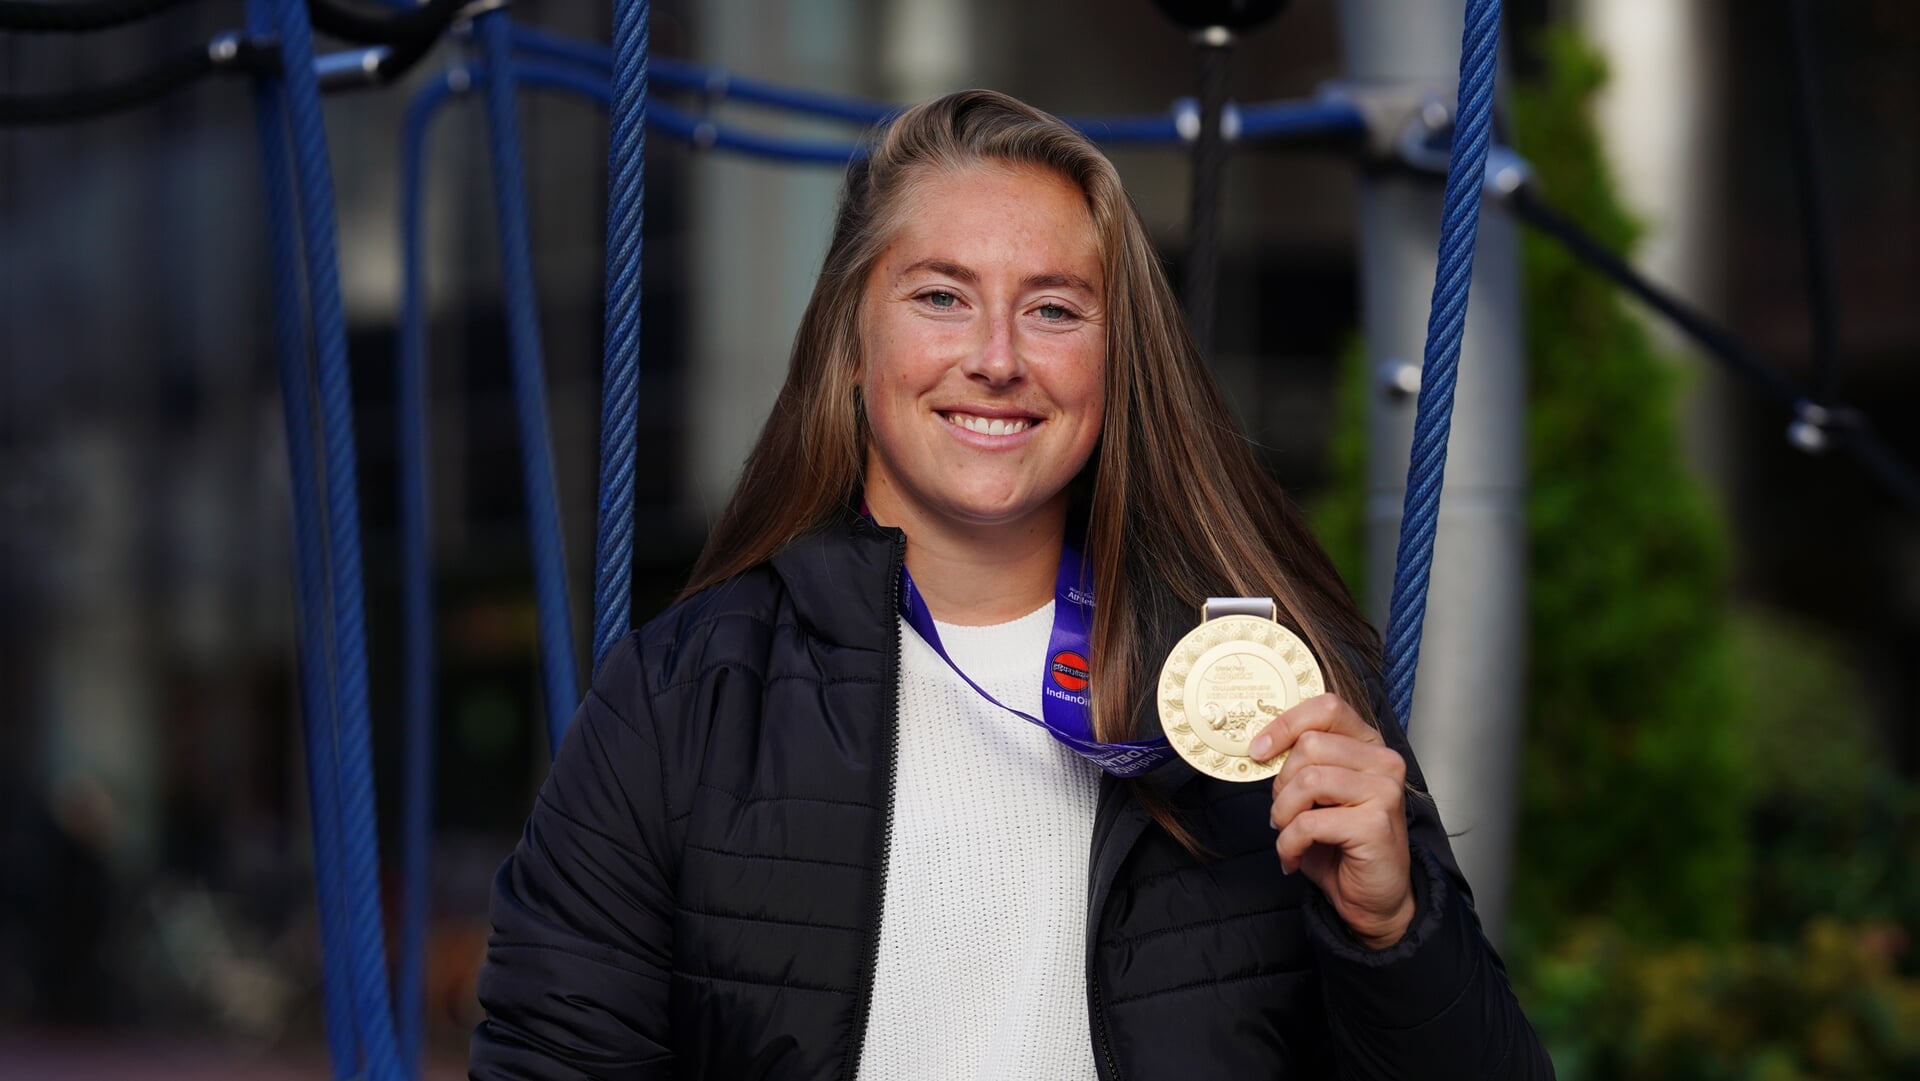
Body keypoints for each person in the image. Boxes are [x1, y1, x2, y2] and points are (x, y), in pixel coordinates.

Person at [469, 89, 1553, 1080]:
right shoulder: (678, 700)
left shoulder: (1274, 693)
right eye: (942, 296)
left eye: (1054, 309)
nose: (997, 358)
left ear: (1116, 361)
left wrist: (1392, 930)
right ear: (852, 342)